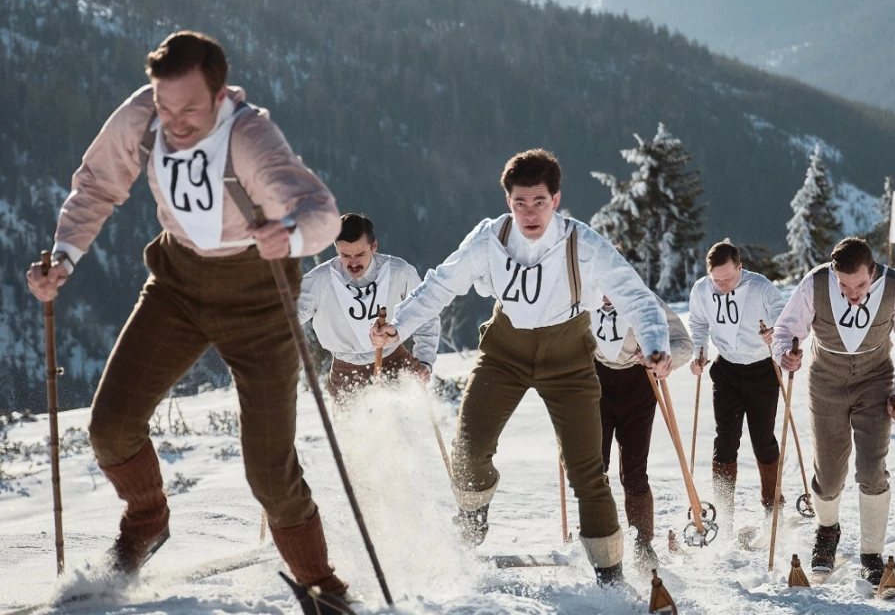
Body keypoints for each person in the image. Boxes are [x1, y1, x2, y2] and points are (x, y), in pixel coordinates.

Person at [25, 31, 350, 605]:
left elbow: (320, 212)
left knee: (270, 475)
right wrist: (65, 257)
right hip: (176, 283)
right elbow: (98, 182)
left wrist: (291, 234)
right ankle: (147, 520)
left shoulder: (249, 136)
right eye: (165, 104)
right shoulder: (143, 118)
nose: (174, 121)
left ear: (220, 96)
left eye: (190, 108)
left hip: (258, 297)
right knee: (111, 427)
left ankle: (321, 584)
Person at [370, 149, 673, 585]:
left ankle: (611, 576)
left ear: (556, 199)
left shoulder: (583, 244)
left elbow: (636, 297)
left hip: (568, 358)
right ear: (508, 201)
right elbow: (440, 285)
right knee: (469, 449)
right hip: (505, 352)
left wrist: (656, 344)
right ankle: (473, 517)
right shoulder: (488, 240)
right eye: (520, 203)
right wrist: (396, 328)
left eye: (539, 202)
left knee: (587, 470)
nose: (530, 213)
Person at [772, 237, 895, 585]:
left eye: (860, 284)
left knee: (872, 470)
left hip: (876, 380)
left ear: (872, 271)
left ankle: (871, 553)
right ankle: (827, 532)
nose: (852, 293)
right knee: (827, 476)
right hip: (827, 379)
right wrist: (785, 353)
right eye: (844, 285)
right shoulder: (815, 283)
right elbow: (786, 329)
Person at [687, 239, 786, 537]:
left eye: (728, 278)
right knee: (725, 439)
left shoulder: (761, 287)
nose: (722, 285)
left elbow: (785, 318)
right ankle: (723, 514)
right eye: (717, 279)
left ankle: (772, 505)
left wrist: (775, 332)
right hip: (727, 368)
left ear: (740, 268)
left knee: (763, 439)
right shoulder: (702, 290)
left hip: (762, 370)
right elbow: (698, 323)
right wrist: (699, 352)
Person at [592, 290, 692, 572]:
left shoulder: (644, 300)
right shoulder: (581, 297)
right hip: (594, 379)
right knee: (593, 468)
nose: (605, 293)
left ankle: (642, 545)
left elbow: (684, 343)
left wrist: (659, 356)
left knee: (634, 470)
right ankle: (601, 539)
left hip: (638, 382)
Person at [297, 213, 440, 404]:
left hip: (395, 361)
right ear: (336, 249)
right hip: (346, 371)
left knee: (408, 428)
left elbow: (425, 313)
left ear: (374, 246)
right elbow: (288, 318)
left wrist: (424, 360)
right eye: (345, 255)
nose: (353, 262)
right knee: (355, 433)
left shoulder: (399, 272)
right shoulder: (319, 281)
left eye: (360, 255)